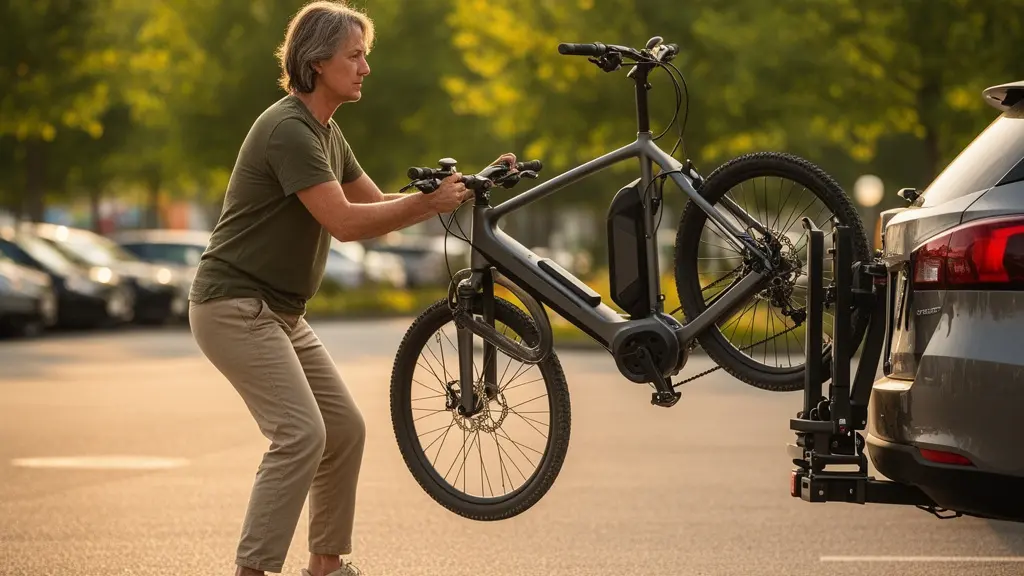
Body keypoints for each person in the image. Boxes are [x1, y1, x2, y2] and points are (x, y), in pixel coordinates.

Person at [187, 2, 517, 575]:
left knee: (343, 431)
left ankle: (326, 567)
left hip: (280, 313)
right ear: (317, 63)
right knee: (300, 435)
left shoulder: (326, 132)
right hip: (235, 307)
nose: (365, 68)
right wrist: (426, 204)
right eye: (355, 56)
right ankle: (253, 570)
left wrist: (465, 185)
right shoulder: (290, 130)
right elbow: (343, 224)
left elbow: (376, 202)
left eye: (366, 56)